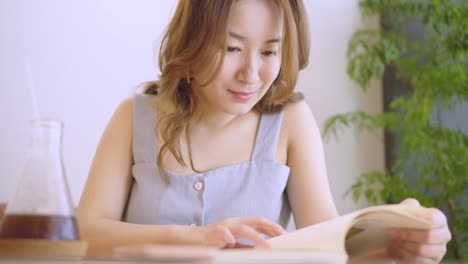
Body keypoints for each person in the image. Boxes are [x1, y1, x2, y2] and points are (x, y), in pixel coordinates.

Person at [77, 0, 452, 262]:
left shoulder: (291, 121)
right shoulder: (134, 116)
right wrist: (190, 237)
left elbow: (327, 245)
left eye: (270, 52)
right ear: (192, 40)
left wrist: (398, 242)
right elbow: (86, 234)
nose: (251, 74)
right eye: (231, 48)